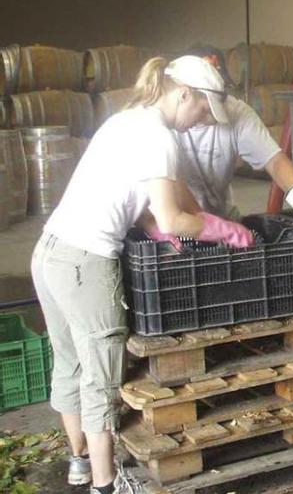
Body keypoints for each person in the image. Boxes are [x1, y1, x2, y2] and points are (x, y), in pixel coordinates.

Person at [31, 56, 254, 494]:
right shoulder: (160, 137)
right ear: (183, 93)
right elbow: (171, 218)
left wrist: (172, 225)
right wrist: (223, 229)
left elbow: (139, 206)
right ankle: (105, 484)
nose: (203, 121)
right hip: (85, 262)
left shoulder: (126, 120)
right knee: (101, 376)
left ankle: (78, 463)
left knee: (70, 364)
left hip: (49, 251)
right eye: (204, 110)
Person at [165, 44, 293, 225]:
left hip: (221, 218)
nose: (208, 116)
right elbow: (167, 187)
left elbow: (273, 159)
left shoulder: (236, 112)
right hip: (180, 224)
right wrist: (204, 224)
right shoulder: (159, 123)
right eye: (204, 109)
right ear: (184, 93)